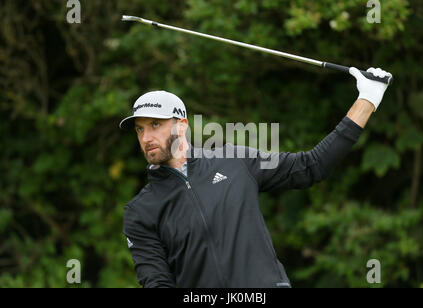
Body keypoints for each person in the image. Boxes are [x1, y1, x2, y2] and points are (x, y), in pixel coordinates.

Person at [119, 67, 392, 288]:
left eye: (156, 125)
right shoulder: (140, 211)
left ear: (182, 125)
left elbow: (312, 166)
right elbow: (156, 282)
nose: (147, 138)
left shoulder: (235, 161)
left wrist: (367, 100)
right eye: (140, 129)